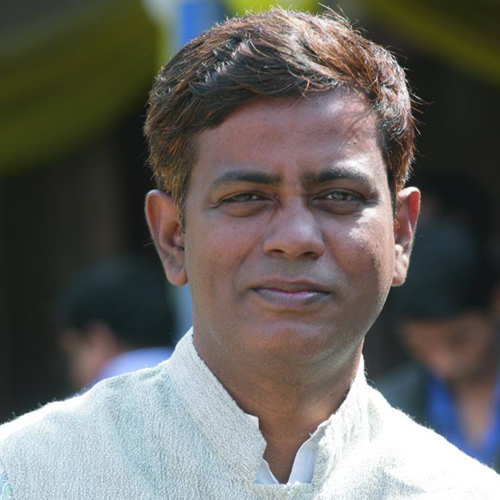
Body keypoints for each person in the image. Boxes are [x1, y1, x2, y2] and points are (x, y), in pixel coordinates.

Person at [1, 8, 499, 499]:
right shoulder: (29, 475)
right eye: (246, 198)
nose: (295, 237)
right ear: (173, 237)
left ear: (400, 234)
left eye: (338, 195)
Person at [377, 217, 500, 471]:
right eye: (420, 348)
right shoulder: (389, 406)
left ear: (496, 305)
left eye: (459, 341)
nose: (442, 363)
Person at [55, 255, 177, 391]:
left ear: (97, 340)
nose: (72, 374)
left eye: (71, 354)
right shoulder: (190, 377)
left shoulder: (99, 396)